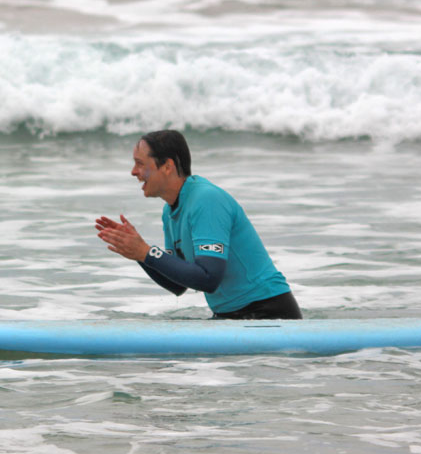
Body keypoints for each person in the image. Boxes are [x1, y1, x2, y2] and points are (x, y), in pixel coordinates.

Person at [95, 130, 301, 320]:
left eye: (140, 163)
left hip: (269, 314)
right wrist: (138, 254)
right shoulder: (170, 210)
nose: (133, 172)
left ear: (167, 166)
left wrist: (147, 253)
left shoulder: (206, 199)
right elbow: (177, 284)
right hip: (231, 318)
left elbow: (208, 279)